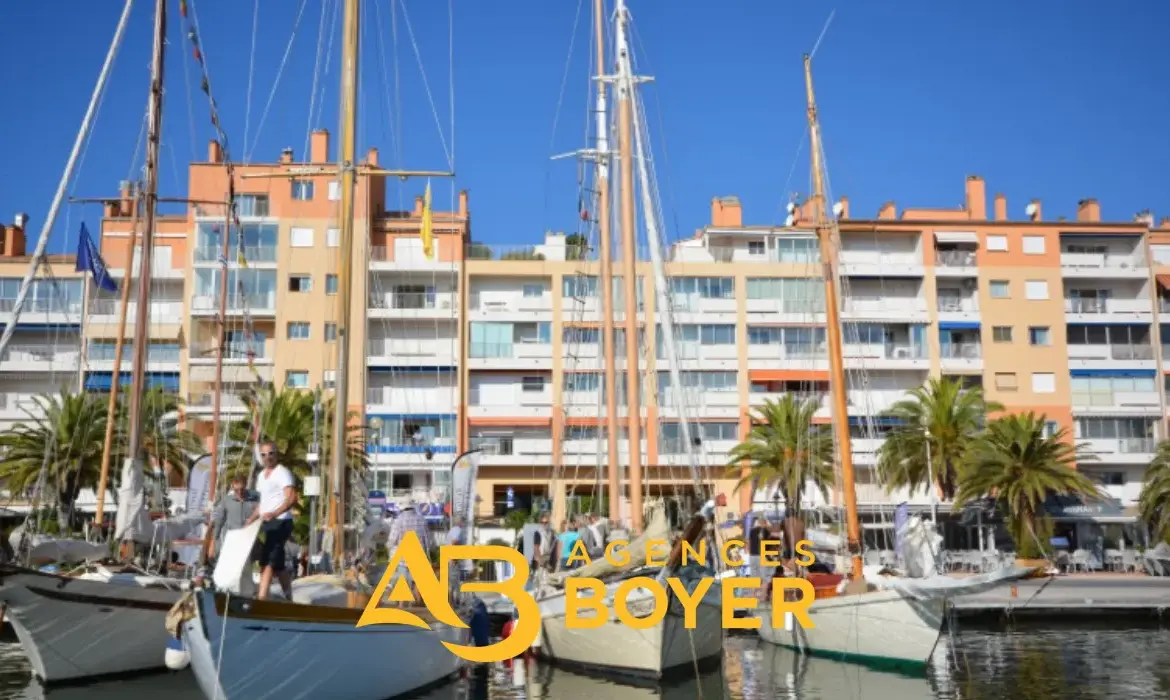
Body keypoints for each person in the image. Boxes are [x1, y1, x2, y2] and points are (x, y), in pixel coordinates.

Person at [246, 440, 297, 601]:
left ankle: (262, 598)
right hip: (267, 523)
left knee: (267, 560)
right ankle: (289, 597)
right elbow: (262, 504)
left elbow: (291, 499)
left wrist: (274, 513)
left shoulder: (282, 472)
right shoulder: (261, 476)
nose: (268, 457)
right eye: (264, 454)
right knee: (279, 563)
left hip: (281, 521)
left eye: (271, 453)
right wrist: (250, 520)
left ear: (277, 454)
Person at [210, 475, 257, 561]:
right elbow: (219, 521)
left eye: (242, 489)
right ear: (232, 486)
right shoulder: (226, 500)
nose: (239, 492)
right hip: (230, 540)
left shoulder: (254, 500)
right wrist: (214, 541)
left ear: (246, 485)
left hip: (247, 540)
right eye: (236, 490)